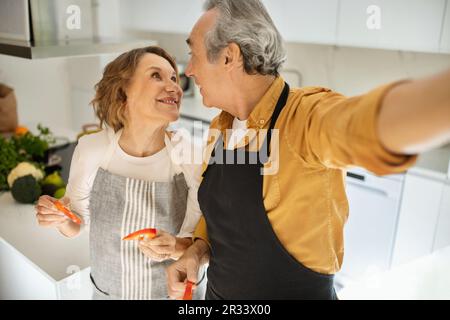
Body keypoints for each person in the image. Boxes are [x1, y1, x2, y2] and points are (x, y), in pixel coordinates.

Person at [166, 0, 450, 300]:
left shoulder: (303, 120)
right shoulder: (221, 128)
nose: (191, 70)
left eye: (192, 53)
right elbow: (225, 217)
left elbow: (367, 124)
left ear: (229, 56)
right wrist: (197, 251)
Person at [34, 46, 206, 300]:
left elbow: (197, 241)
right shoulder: (93, 150)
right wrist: (59, 217)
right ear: (123, 92)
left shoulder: (190, 156)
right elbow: (77, 221)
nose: (174, 87)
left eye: (173, 78)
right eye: (156, 76)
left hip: (176, 295)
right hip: (108, 292)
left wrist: (175, 247)